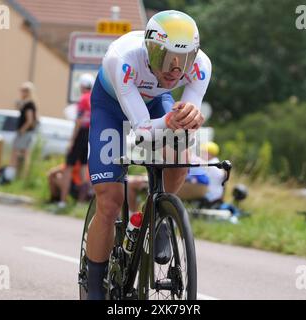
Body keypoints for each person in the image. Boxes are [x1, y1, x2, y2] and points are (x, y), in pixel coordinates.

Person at [85, 10, 211, 299]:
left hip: (154, 104)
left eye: (184, 62)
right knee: (110, 201)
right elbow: (141, 131)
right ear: (150, 50)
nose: (175, 71)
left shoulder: (202, 65)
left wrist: (188, 119)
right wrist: (170, 122)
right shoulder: (124, 59)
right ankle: (94, 289)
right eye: (166, 60)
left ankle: (154, 217)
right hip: (111, 106)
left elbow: (181, 123)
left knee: (180, 150)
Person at [58, 74, 94, 209]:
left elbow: (79, 120)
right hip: (90, 134)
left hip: (81, 133)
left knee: (68, 167)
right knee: (84, 167)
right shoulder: (94, 97)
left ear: (82, 86)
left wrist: (71, 141)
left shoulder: (83, 98)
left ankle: (62, 201)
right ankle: (81, 202)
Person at [8, 82, 37, 180]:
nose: (22, 93)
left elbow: (29, 120)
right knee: (23, 154)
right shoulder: (27, 103)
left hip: (24, 132)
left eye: (24, 91)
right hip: (26, 132)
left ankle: (11, 176)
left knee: (16, 153)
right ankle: (20, 176)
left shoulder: (29, 104)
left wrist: (21, 131)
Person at [200, 142, 225, 206]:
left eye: (203, 152)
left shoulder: (211, 165)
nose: (201, 154)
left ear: (210, 154)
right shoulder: (216, 163)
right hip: (216, 196)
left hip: (210, 197)